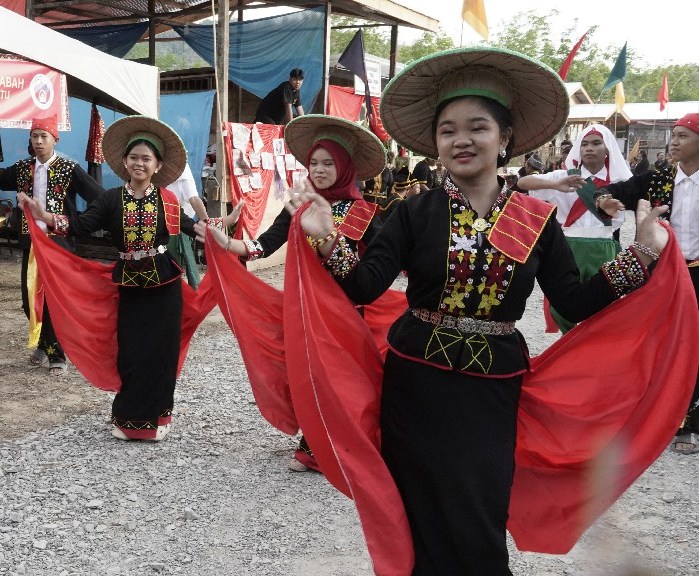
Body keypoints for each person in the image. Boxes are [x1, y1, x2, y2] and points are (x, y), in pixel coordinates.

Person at [285, 47, 690, 574]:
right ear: (435, 144)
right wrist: (325, 241)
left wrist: (644, 253)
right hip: (414, 384)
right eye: (448, 130)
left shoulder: (537, 219)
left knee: (480, 510)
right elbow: (363, 287)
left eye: (478, 127)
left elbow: (574, 301)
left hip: (491, 387)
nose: (462, 140)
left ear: (506, 140)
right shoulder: (414, 211)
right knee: (418, 511)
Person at [201, 114, 398, 472]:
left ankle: (334, 447)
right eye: (314, 163)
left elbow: (383, 267)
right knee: (309, 374)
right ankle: (319, 441)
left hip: (346, 311)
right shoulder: (300, 206)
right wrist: (228, 243)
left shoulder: (365, 213)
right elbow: (265, 245)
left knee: (341, 377)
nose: (319, 170)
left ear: (346, 168)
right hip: (305, 308)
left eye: (328, 164)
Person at [17, 116, 203, 441]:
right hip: (128, 282)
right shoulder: (111, 199)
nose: (139, 163)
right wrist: (44, 216)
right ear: (124, 162)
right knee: (130, 350)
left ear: (158, 165)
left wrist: (218, 231)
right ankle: (130, 418)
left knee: (161, 350)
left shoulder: (168, 200)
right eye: (134, 158)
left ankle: (159, 415)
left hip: (166, 282)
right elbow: (80, 225)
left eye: (147, 158)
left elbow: (193, 228)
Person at [596, 112, 699, 455]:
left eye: (683, 135)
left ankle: (688, 419)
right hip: (664, 271)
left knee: (695, 343)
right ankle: (652, 411)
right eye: (675, 135)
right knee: (658, 338)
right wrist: (606, 202)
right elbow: (611, 192)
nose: (675, 142)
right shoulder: (658, 180)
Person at [0, 114, 104, 375]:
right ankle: (42, 342)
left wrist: (77, 222)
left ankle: (57, 355)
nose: (38, 141)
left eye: (44, 137)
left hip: (57, 245)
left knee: (52, 302)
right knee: (29, 300)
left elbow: (98, 196)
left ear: (54, 139)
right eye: (35, 136)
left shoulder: (69, 169)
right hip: (31, 243)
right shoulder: (23, 167)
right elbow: (3, 178)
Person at [518, 124, 631, 333]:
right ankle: (568, 344)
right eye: (585, 144)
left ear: (608, 149)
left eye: (597, 143)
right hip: (568, 246)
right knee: (563, 306)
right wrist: (555, 185)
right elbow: (524, 182)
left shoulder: (621, 181)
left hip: (604, 246)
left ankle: (594, 348)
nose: (589, 148)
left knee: (604, 302)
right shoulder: (566, 175)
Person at [165, 164, 208, 288]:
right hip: (168, 225)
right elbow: (193, 199)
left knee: (176, 265)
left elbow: (194, 199)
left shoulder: (181, 172)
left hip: (178, 225)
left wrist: (207, 224)